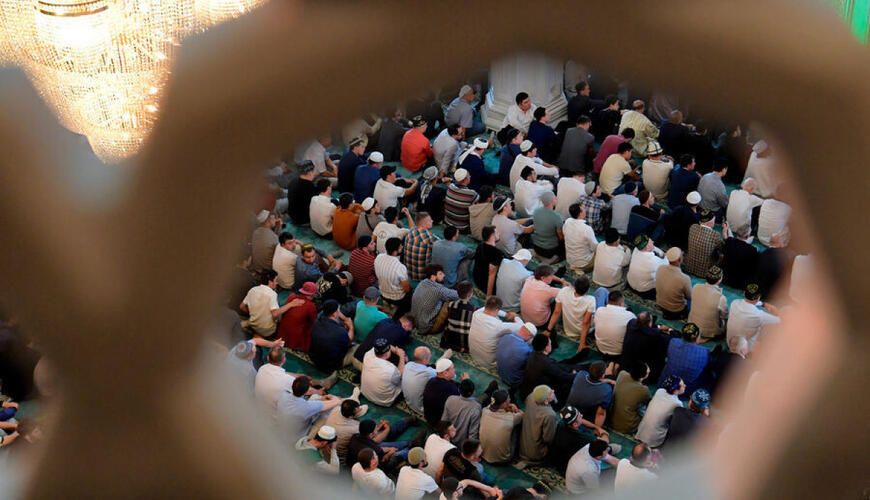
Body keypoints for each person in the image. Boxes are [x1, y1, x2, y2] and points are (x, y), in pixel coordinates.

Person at [255, 347, 337, 421]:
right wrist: (319, 392)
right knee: (315, 398)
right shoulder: (287, 380)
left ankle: (316, 382)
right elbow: (307, 390)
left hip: (260, 407)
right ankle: (322, 384)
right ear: (284, 360)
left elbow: (282, 373)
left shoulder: (263, 368)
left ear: (268, 358)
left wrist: (298, 375)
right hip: (278, 414)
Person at [279, 376, 343, 444]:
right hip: (297, 439)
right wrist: (331, 397)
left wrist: (321, 400)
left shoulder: (283, 396)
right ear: (307, 391)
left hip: (281, 432)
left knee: (315, 398)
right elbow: (337, 402)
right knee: (328, 411)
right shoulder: (307, 406)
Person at [468, 296, 525, 370]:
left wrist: (506, 315)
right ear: (497, 310)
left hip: (474, 356)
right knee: (511, 339)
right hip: (489, 363)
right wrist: (515, 317)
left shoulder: (476, 314)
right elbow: (521, 327)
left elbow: (484, 309)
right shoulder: (498, 325)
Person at [621, 312, 678, 383]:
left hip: (626, 365)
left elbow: (645, 329)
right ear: (649, 324)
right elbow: (672, 340)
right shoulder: (656, 337)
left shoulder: (631, 324)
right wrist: (670, 330)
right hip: (644, 372)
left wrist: (658, 328)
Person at [519, 334, 576, 403]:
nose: (551, 345)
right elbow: (564, 376)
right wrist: (575, 374)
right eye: (550, 344)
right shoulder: (547, 363)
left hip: (526, 390)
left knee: (563, 365)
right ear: (546, 348)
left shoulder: (532, 354)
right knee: (568, 382)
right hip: (537, 396)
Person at [240, 270, 299, 337]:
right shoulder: (272, 294)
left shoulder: (253, 290)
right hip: (267, 330)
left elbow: (242, 306)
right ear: (270, 282)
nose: (277, 283)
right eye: (276, 280)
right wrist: (291, 304)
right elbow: (275, 313)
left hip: (253, 325)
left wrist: (254, 314)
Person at [347, 418, 417, 472]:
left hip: (373, 453)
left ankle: (405, 422)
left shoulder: (355, 436)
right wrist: (390, 452)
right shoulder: (374, 452)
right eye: (375, 428)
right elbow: (383, 460)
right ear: (371, 434)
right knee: (399, 453)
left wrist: (385, 428)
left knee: (385, 433)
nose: (377, 429)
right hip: (379, 466)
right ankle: (413, 444)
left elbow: (375, 442)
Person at [726, 283, 781, 352]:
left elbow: (748, 303)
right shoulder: (760, 315)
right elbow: (779, 320)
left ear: (744, 293)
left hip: (729, 343)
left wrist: (763, 304)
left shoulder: (734, 303)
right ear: (758, 298)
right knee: (768, 329)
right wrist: (777, 313)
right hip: (745, 350)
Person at [659, 323, 710, 395]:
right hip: (686, 389)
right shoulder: (704, 352)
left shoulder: (673, 342)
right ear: (697, 338)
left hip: (666, 383)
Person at [635, 375, 685, 447]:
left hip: (641, 432)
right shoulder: (677, 403)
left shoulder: (660, 391)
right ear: (675, 390)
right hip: (654, 439)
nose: (685, 386)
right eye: (683, 385)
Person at [308, 300, 357, 372]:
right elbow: (349, 341)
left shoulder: (316, 322)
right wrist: (351, 326)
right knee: (357, 347)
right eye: (338, 311)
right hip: (330, 365)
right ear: (334, 314)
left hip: (314, 358)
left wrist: (344, 318)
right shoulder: (339, 332)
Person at [402, 347, 453, 415]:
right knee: (447, 383)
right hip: (423, 409)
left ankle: (443, 359)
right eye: (429, 356)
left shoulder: (408, 365)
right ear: (425, 359)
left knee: (433, 369)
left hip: (409, 402)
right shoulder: (429, 372)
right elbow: (450, 376)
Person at [411, 264, 460, 334]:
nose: (444, 275)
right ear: (433, 277)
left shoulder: (422, 282)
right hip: (426, 328)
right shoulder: (439, 289)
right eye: (440, 274)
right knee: (450, 302)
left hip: (414, 322)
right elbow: (458, 295)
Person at [549, 275, 596, 348]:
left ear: (575, 287)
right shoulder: (591, 300)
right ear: (588, 290)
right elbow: (586, 322)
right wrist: (582, 343)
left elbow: (556, 312)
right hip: (584, 330)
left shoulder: (564, 291)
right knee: (602, 291)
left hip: (568, 329)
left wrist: (548, 330)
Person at [520, 265, 570, 331]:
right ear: (543, 278)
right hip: (540, 323)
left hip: (526, 319)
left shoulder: (530, 279)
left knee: (551, 284)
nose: (552, 277)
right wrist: (565, 286)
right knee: (561, 300)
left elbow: (551, 278)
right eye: (550, 276)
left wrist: (561, 281)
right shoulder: (547, 290)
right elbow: (565, 293)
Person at [518, 385, 558, 466]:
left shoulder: (531, 397)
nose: (553, 391)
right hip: (535, 453)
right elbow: (548, 438)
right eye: (550, 393)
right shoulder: (550, 414)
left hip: (522, 446)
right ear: (546, 401)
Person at [479, 390, 524, 464]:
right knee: (517, 427)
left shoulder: (485, 411)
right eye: (508, 399)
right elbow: (522, 415)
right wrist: (515, 408)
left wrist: (505, 407)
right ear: (503, 404)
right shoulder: (511, 418)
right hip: (502, 459)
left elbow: (491, 406)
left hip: (483, 454)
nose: (510, 400)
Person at [324, 398, 371, 467]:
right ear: (351, 416)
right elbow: (369, 434)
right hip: (340, 461)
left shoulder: (335, 410)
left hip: (325, 450)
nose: (360, 410)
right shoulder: (354, 429)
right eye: (358, 410)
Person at [566, 361, 614, 427]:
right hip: (583, 417)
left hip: (568, 410)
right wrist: (597, 429)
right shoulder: (607, 389)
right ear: (603, 375)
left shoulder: (581, 374)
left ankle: (611, 366)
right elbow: (601, 414)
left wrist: (608, 380)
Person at [361, 338, 406, 406]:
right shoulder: (391, 369)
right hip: (384, 401)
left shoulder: (368, 354)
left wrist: (397, 351)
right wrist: (401, 356)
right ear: (387, 354)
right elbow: (400, 375)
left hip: (365, 393)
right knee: (407, 375)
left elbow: (389, 346)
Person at [610, 362, 652, 434]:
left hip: (610, 419)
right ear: (644, 376)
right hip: (628, 426)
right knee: (644, 409)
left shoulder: (622, 374)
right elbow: (649, 405)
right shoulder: (644, 390)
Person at [375, 237, 413, 318]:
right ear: (397, 250)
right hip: (397, 298)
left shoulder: (378, 257)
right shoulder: (400, 267)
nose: (402, 247)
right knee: (411, 293)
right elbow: (406, 289)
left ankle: (388, 306)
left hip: (382, 293)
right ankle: (397, 315)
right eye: (401, 246)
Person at [688, 266, 729, 340]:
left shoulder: (696, 287)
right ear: (719, 280)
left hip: (692, 325)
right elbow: (724, 316)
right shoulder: (721, 298)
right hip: (710, 332)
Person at [593, 290, 636, 359]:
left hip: (600, 349)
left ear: (608, 301)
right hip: (619, 353)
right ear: (621, 303)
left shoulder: (599, 310)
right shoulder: (630, 316)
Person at [277, 281, 318, 351]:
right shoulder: (311, 306)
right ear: (312, 295)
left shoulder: (291, 296)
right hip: (294, 337)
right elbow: (312, 322)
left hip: (282, 332)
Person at [441, 379, 484, 446]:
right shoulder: (476, 407)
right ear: (474, 392)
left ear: (459, 389)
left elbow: (444, 421)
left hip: (448, 439)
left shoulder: (450, 399)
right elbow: (473, 434)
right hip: (462, 444)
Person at [495, 320, 535, 391]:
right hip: (514, 381)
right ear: (530, 336)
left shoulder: (505, 336)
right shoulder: (527, 349)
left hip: (501, 375)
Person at [685, 209, 726, 277]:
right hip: (704, 272)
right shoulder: (715, 235)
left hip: (689, 268)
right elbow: (724, 249)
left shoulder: (693, 227)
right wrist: (724, 233)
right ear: (710, 223)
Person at [626, 234, 668, 300]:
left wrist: (661, 253)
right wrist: (665, 256)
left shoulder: (636, 249)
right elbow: (667, 264)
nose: (653, 242)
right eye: (651, 242)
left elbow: (653, 248)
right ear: (647, 247)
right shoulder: (653, 260)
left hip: (630, 284)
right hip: (644, 291)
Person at [656, 247, 693, 320]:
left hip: (660, 304)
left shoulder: (660, 268)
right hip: (676, 310)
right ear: (680, 260)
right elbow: (689, 297)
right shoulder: (685, 278)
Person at [423, 359, 462, 424]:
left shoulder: (431, 380)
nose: (454, 370)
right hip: (441, 423)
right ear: (445, 373)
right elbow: (461, 401)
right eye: (453, 368)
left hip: (428, 417)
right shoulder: (451, 388)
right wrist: (466, 382)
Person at [756, 232, 795, 299]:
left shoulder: (762, 253)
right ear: (781, 244)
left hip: (761, 291)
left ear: (770, 242)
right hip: (777, 294)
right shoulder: (790, 256)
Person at [473, 226, 508, 296]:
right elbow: (492, 275)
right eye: (497, 232)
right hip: (485, 285)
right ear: (492, 236)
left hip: (477, 279)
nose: (499, 234)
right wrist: (489, 295)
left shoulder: (480, 245)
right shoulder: (497, 254)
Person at [495, 249, 533, 313]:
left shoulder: (504, 262)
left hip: (498, 302)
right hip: (512, 308)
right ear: (525, 260)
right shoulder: (527, 274)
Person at [404, 212, 439, 281]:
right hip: (422, 276)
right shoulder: (430, 238)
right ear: (424, 224)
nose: (432, 221)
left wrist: (408, 215)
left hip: (408, 273)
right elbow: (442, 246)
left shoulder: (410, 232)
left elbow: (412, 227)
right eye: (430, 220)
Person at [563, 203, 598, 273]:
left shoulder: (567, 222)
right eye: (584, 208)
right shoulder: (586, 228)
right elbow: (595, 248)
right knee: (602, 251)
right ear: (580, 213)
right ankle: (581, 269)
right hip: (584, 262)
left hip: (570, 260)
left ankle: (575, 266)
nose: (585, 210)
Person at [442, 282, 476, 353]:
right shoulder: (473, 309)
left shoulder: (451, 304)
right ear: (470, 295)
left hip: (450, 338)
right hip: (464, 341)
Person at [531, 191, 564, 262]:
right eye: (555, 197)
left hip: (536, 246)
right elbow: (561, 237)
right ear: (551, 201)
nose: (556, 198)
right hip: (549, 250)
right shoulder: (557, 217)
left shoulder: (536, 211)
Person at [444, 169, 478, 233]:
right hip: (462, 227)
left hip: (448, 222)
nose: (470, 177)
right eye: (469, 176)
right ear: (465, 179)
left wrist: (452, 180)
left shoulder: (450, 187)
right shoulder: (472, 194)